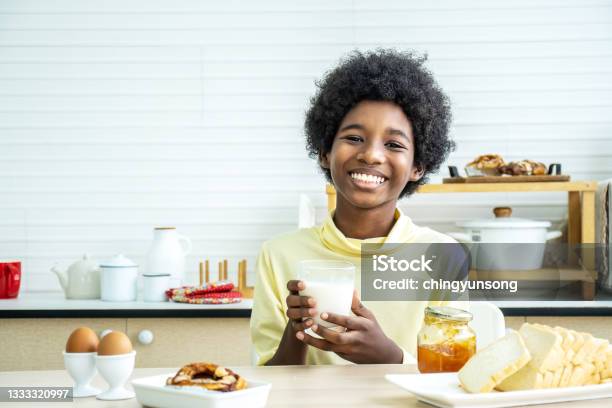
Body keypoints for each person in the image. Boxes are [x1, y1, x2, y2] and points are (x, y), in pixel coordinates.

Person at [250, 49, 461, 366]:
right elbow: (270, 379)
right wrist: (298, 331)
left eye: (393, 144)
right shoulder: (279, 254)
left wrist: (387, 356)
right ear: (324, 152)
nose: (372, 155)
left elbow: (454, 376)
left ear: (418, 165)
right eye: (354, 137)